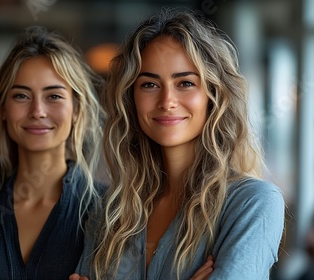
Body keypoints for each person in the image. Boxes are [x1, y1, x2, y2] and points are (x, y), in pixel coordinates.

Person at [71, 9, 285, 280]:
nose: (167, 101)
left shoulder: (252, 203)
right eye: (149, 84)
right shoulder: (110, 211)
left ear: (213, 95)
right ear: (131, 98)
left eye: (185, 83)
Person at [0, 26, 105, 279]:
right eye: (21, 96)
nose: (37, 111)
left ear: (76, 109)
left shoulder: (111, 210)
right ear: (3, 108)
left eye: (54, 96)